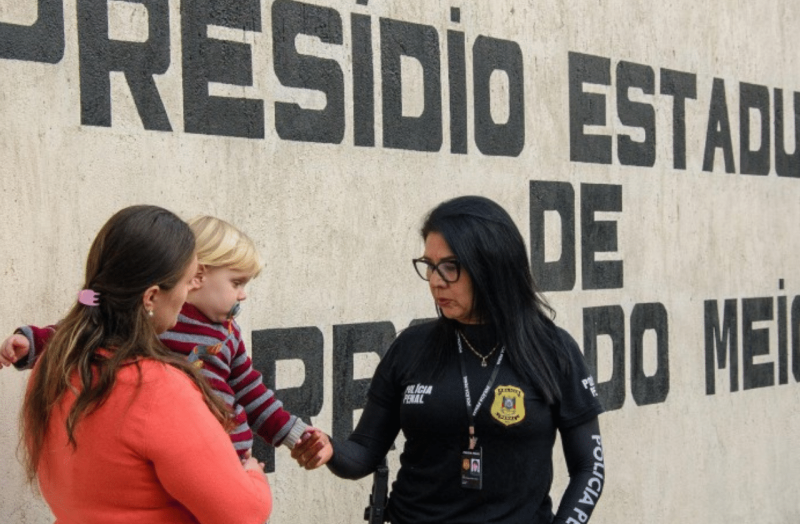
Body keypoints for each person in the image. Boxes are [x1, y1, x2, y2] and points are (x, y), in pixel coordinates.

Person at [293, 195, 606, 524]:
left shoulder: (553, 351)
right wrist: (328, 448)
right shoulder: (411, 347)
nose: (436, 280)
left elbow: (590, 468)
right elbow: (363, 452)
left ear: (491, 266)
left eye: (450, 267)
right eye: (429, 265)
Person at [3, 215, 333, 464]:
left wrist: (295, 435)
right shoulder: (151, 314)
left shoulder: (229, 333)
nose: (243, 295)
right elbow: (83, 323)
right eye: (237, 282)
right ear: (199, 274)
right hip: (179, 458)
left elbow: (252, 391)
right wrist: (32, 343)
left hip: (232, 459)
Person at [18, 205, 272, 523]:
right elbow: (242, 514)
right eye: (187, 281)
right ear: (151, 297)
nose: (190, 290)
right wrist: (252, 475)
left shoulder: (52, 365)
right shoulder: (157, 388)